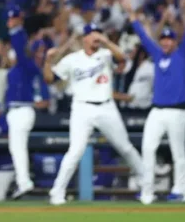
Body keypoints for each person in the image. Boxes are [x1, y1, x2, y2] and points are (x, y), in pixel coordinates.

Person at [42, 23, 144, 206]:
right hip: (82, 108)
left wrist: (106, 41)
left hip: (106, 106)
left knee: (126, 148)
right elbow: (50, 79)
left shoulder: (105, 55)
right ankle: (57, 192)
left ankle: (147, 185)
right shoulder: (72, 59)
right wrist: (48, 62)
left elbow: (122, 61)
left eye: (98, 33)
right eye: (92, 34)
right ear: (84, 38)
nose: (96, 36)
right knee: (75, 151)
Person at [123, 0, 185, 204]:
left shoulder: (182, 54)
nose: (166, 43)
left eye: (169, 40)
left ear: (174, 42)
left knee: (178, 151)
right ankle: (147, 192)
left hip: (178, 110)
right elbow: (143, 37)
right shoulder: (158, 55)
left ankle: (182, 191)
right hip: (156, 110)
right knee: (148, 148)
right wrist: (131, 14)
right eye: (164, 40)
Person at [4, 6, 49, 199]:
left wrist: (17, 27)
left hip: (22, 110)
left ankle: (24, 182)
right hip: (20, 110)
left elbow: (19, 48)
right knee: (17, 147)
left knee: (17, 147)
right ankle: (23, 181)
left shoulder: (27, 65)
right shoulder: (27, 68)